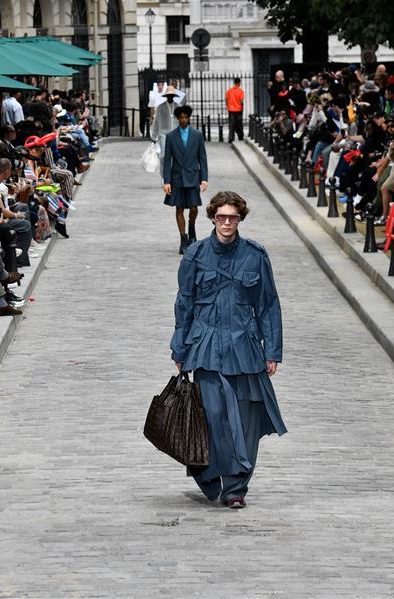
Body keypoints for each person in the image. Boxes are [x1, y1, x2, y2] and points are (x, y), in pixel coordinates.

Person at [171, 191, 286, 509]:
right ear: (212, 217)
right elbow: (184, 303)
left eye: (232, 217)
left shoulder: (255, 255)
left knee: (246, 422)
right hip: (206, 345)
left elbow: (268, 304)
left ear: (240, 219)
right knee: (215, 417)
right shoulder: (195, 255)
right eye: (221, 217)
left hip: (245, 346)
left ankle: (236, 487)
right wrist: (179, 349)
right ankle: (210, 474)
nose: (226, 222)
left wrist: (272, 350)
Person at [162, 105, 209, 254]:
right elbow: (167, 160)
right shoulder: (171, 136)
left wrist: (204, 178)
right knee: (179, 208)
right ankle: (183, 239)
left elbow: (202, 157)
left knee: (194, 208)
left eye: (185, 117)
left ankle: (192, 227)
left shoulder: (197, 135)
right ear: (177, 119)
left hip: (193, 176)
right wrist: (166, 181)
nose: (183, 119)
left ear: (189, 118)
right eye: (181, 117)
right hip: (177, 178)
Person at [225, 78, 245, 143]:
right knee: (239, 124)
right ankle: (240, 136)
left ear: (234, 82)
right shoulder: (240, 91)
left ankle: (231, 137)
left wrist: (228, 106)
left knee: (231, 124)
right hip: (238, 110)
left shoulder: (229, 91)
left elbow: (226, 99)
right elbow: (241, 100)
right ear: (239, 83)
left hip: (231, 110)